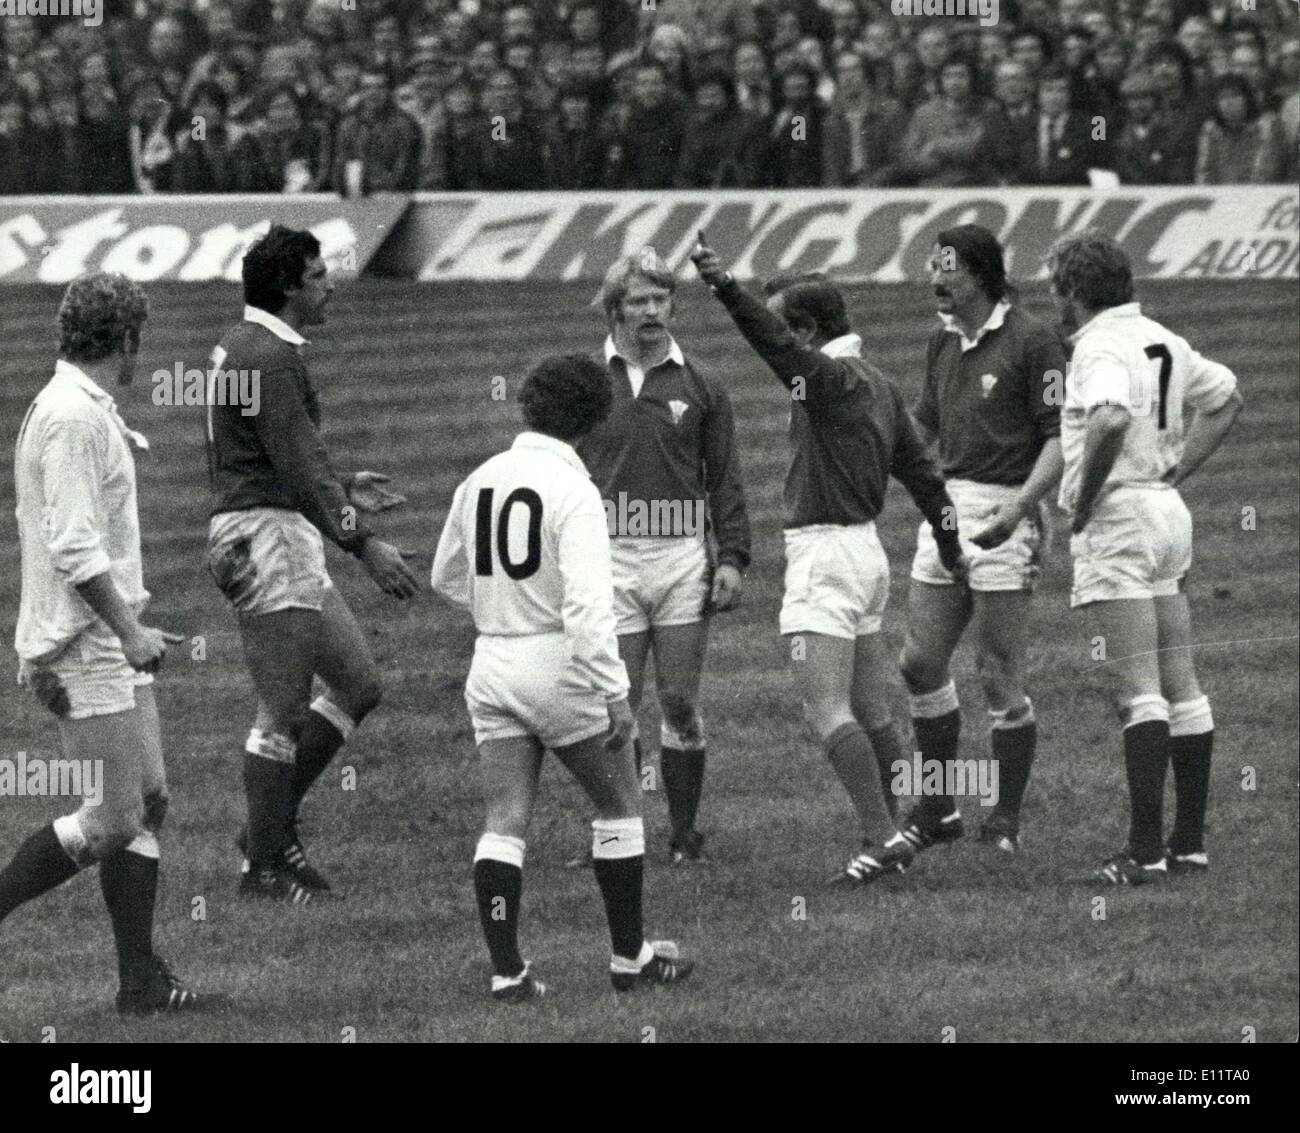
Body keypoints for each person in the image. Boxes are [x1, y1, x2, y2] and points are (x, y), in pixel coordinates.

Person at [690, 238, 966, 886]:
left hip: (823, 557)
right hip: (867, 558)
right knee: (873, 710)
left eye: (788, 322)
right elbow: (926, 478)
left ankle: (881, 836)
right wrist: (953, 547)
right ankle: (891, 832)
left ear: (809, 330)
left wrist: (725, 287)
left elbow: (775, 347)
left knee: (826, 711)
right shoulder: (880, 384)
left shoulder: (831, 381)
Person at [431, 354, 696, 1001]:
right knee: (620, 806)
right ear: (594, 417)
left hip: (493, 663)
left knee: (504, 818)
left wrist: (503, 609)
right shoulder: (573, 490)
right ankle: (630, 957)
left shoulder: (482, 478)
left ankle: (507, 969)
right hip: (560, 667)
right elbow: (585, 608)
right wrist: (614, 694)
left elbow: (444, 575)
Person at [3, 273, 201, 1016]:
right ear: (126, 339)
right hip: (84, 644)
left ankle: (139, 983)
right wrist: (126, 627)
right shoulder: (74, 419)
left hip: (103, 640)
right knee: (113, 814)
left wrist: (131, 627)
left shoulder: (78, 409)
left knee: (148, 798)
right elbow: (75, 547)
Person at [205, 226, 419, 902]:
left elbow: (275, 452)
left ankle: (267, 833)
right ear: (291, 285)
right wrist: (364, 543)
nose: (329, 284)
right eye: (320, 274)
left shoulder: (249, 345)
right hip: (266, 535)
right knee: (283, 710)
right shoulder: (270, 356)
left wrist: (343, 481)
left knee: (357, 683)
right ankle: (262, 866)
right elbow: (295, 467)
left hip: (270, 524)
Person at [1048, 232, 1243, 885]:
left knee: (1139, 689)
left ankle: (1143, 851)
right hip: (1164, 510)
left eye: (1057, 287)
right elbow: (1226, 398)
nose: (1053, 298)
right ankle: (1188, 844)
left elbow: (1104, 420)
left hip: (1121, 519)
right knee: (1180, 680)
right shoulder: (1164, 336)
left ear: (1075, 291)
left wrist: (1086, 497)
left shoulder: (1097, 346)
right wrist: (1174, 470)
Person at [571, 251, 751, 866]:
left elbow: (724, 479)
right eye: (639, 301)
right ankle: (620, 831)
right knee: (613, 701)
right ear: (615, 309)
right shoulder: (586, 383)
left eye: (661, 300)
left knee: (677, 699)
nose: (652, 311)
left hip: (679, 558)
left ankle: (682, 834)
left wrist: (731, 558)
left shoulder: (702, 385)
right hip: (608, 557)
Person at [897, 225, 1065, 859]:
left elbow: (1059, 437)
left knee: (998, 676)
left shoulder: (1034, 339)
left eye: (949, 270)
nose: (937, 280)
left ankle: (1005, 820)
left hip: (1007, 507)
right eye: (933, 268)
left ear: (983, 275)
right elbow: (924, 425)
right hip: (947, 507)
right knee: (918, 664)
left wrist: (1022, 509)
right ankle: (938, 808)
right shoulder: (941, 341)